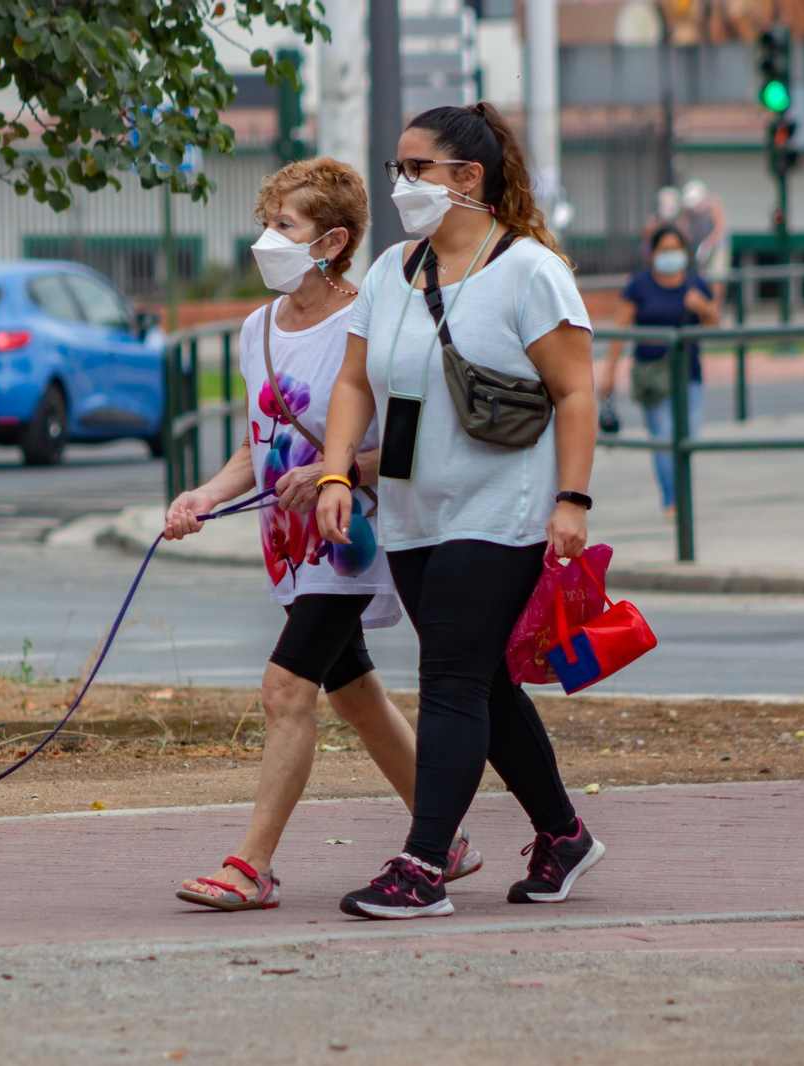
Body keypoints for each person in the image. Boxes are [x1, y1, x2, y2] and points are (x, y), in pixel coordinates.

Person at [165, 157, 481, 912]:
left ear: (331, 240)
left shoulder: (370, 320)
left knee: (285, 690)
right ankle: (445, 840)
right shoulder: (255, 329)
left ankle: (252, 866)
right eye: (265, 225)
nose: (267, 241)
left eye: (285, 227)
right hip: (286, 545)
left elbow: (413, 438)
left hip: (349, 540)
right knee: (355, 693)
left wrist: (343, 473)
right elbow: (258, 446)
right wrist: (202, 498)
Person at [317, 102, 602, 920]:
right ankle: (564, 834)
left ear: (468, 178)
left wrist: (571, 501)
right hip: (414, 511)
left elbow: (576, 393)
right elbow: (351, 383)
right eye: (396, 170)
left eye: (416, 170)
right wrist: (338, 475)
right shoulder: (393, 271)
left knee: (447, 679)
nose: (402, 184)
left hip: (502, 508)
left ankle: (423, 864)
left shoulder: (529, 270)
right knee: (482, 682)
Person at [599, 225, 719, 513]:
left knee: (687, 438)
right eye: (664, 250)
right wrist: (609, 373)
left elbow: (716, 322)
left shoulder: (695, 282)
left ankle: (681, 496)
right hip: (651, 374)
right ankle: (673, 500)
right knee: (663, 438)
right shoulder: (639, 285)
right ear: (652, 253)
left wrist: (702, 307)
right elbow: (620, 329)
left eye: (675, 249)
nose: (670, 255)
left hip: (689, 374)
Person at [679, 180, 730, 302]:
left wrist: (707, 245)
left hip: (717, 246)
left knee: (717, 276)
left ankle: (716, 305)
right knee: (700, 276)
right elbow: (682, 225)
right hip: (697, 246)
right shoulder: (686, 209)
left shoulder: (713, 204)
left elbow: (720, 228)